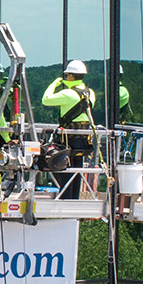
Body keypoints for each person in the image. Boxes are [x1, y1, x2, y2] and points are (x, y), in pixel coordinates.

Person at [42, 60, 98, 199]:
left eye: (67, 75)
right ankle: (73, 197)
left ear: (71, 76)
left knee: (64, 167)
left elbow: (46, 99)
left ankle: (66, 197)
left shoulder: (68, 94)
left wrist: (54, 84)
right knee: (76, 168)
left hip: (69, 138)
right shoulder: (89, 93)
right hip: (83, 139)